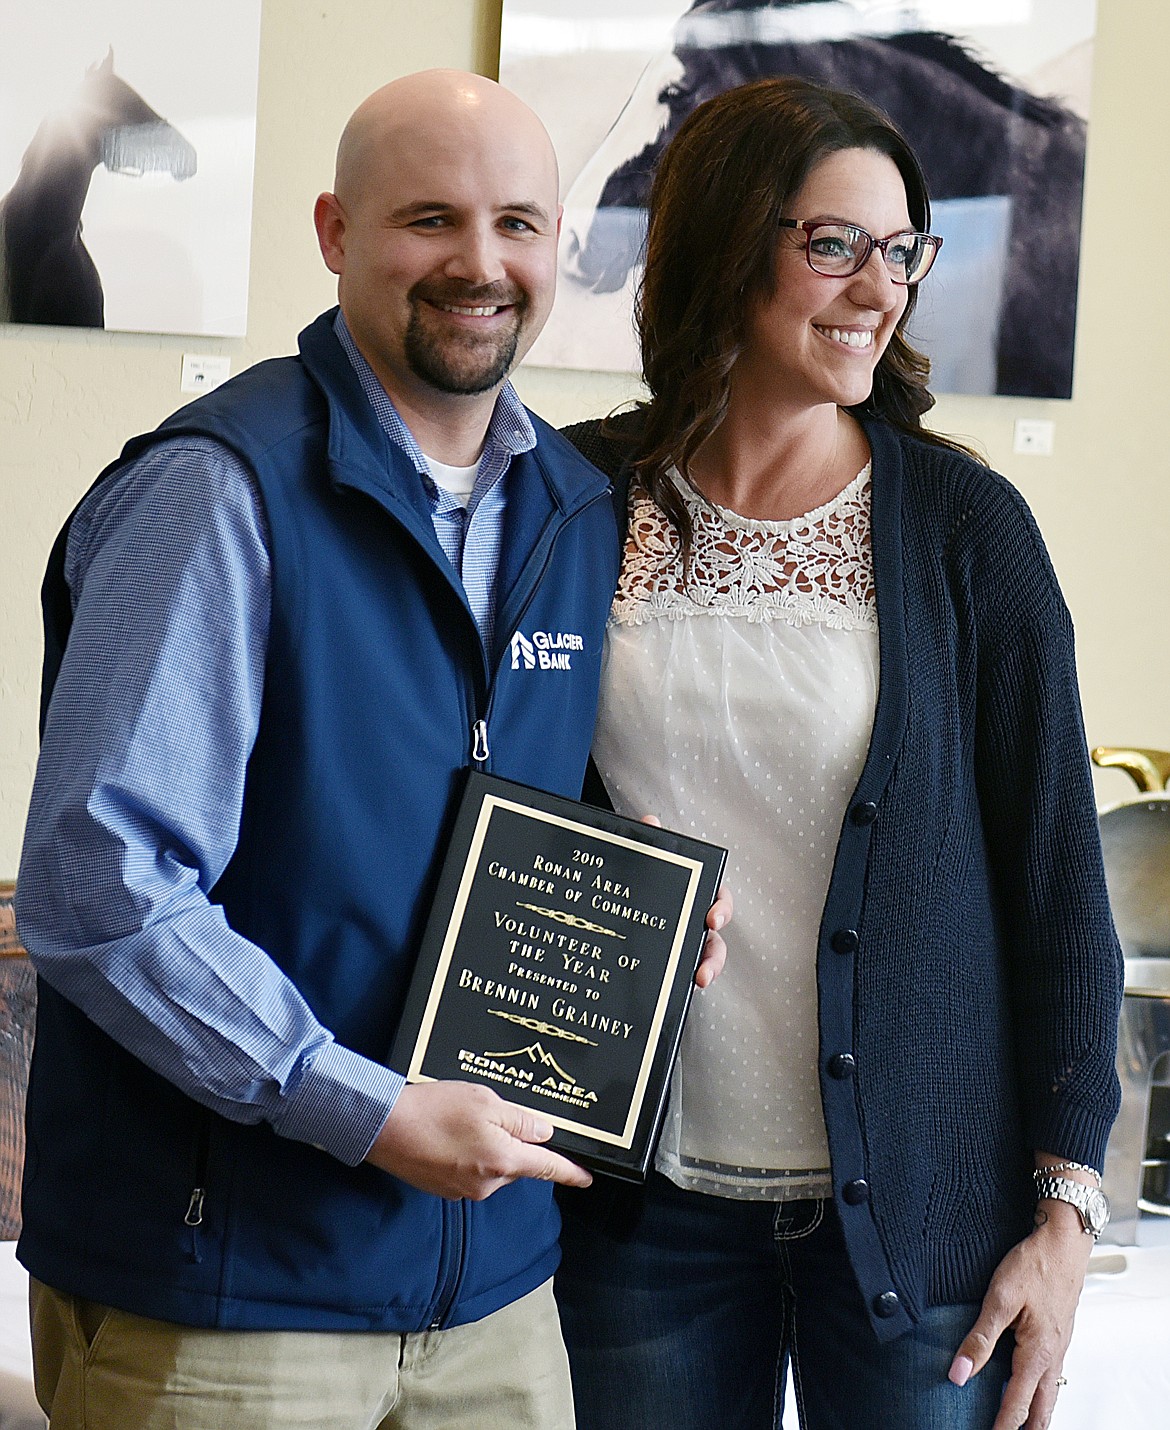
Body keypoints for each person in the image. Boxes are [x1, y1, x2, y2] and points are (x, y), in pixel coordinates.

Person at [14, 70, 727, 1430]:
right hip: (226, 1293)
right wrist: (369, 1109)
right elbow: (101, 892)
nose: (480, 263)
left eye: (518, 222)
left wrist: (643, 903)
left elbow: (477, 799)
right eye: (429, 220)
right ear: (337, 232)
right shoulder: (217, 494)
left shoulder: (573, 510)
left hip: (494, 1293)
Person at [554, 77, 1123, 1430]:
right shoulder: (570, 502)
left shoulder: (964, 528)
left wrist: (1063, 1214)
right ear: (723, 245)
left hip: (924, 1222)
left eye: (902, 249)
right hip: (642, 1215)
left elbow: (1057, 894)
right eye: (833, 245)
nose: (880, 287)